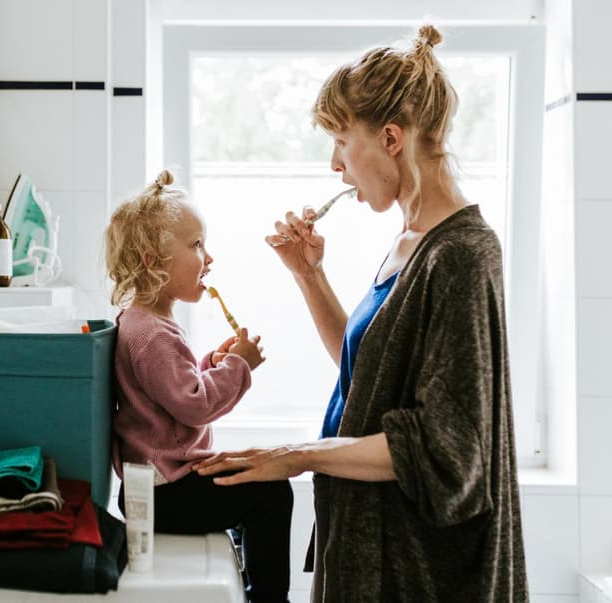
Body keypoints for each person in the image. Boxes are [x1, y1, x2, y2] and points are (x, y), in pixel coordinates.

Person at [195, 25, 529, 602]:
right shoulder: (412, 240)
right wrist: (308, 274)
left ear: (392, 138)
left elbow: (448, 450)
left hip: (422, 573)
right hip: (366, 543)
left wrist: (294, 456)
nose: (334, 164)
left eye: (342, 141)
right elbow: (371, 378)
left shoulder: (462, 256)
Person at [104, 170, 294, 603]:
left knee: (254, 479)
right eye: (195, 245)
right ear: (153, 260)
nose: (208, 258)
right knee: (270, 490)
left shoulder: (143, 323)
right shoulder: (152, 333)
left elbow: (169, 392)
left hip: (158, 490)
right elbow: (193, 405)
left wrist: (213, 362)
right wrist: (239, 367)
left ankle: (250, 576)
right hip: (167, 495)